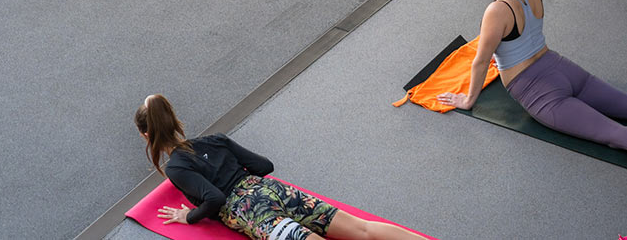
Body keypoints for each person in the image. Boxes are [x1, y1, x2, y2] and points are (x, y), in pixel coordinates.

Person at [135, 94, 423, 240]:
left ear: (147, 135)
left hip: (249, 211)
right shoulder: (215, 139)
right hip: (271, 189)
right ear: (173, 119)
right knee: (362, 230)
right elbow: (263, 165)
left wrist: (190, 216)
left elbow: (215, 199)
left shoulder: (176, 167)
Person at [437, 0, 627, 149]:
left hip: (537, 91)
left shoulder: (497, 11)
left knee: (616, 135)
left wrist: (468, 100)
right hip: (562, 68)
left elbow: (480, 62)